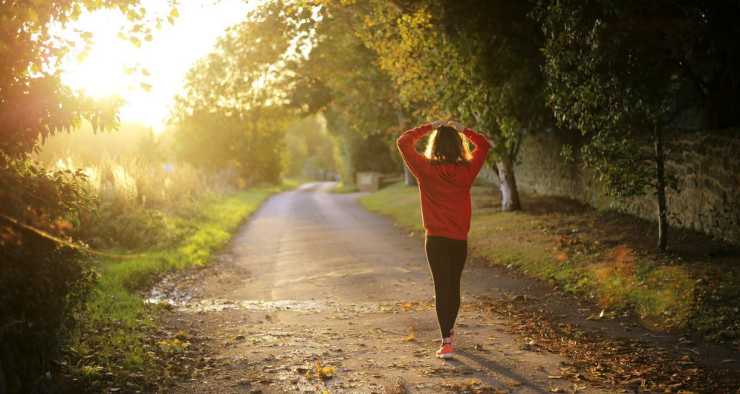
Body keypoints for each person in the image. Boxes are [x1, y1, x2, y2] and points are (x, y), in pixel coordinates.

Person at [396, 119, 491, 359]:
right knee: (453, 285)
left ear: (435, 145)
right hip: (458, 240)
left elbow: (403, 142)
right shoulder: (467, 170)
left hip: (436, 240)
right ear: (459, 145)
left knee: (442, 287)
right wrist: (463, 129)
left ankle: (446, 341)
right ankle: (449, 333)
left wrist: (430, 126)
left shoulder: (425, 169)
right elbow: (485, 145)